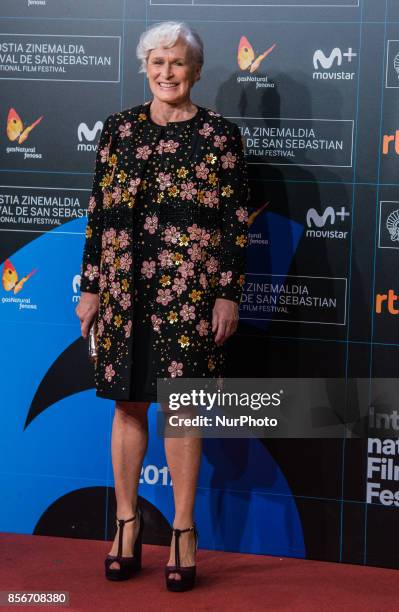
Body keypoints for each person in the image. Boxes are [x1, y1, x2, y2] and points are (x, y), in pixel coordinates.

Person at [75, 20, 249, 592]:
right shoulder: (118, 131)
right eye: (157, 62)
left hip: (190, 292)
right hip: (125, 289)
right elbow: (99, 214)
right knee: (127, 404)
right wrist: (92, 286)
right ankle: (126, 526)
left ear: (195, 70)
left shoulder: (221, 136)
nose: (166, 72)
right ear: (144, 68)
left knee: (182, 408)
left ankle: (182, 530)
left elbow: (232, 225)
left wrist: (227, 291)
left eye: (177, 63)